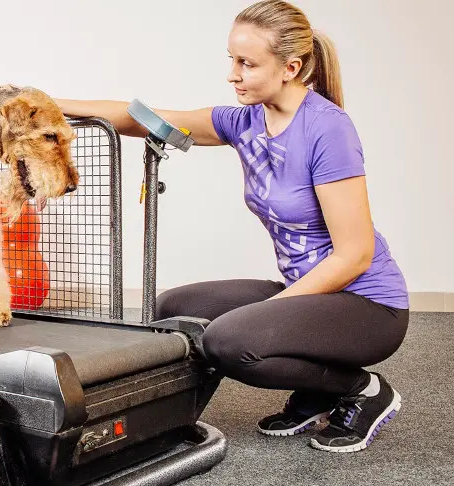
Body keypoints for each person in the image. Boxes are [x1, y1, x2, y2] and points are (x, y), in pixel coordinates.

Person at [54, 0, 409, 453]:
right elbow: (142, 117)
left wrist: (274, 310)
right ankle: (314, 393)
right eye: (231, 60)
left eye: (246, 63)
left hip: (367, 306)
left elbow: (355, 254)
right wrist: (46, 103)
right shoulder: (245, 121)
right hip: (312, 292)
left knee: (229, 341)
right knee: (175, 307)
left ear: (290, 67)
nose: (232, 74)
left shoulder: (327, 129)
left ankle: (358, 389)